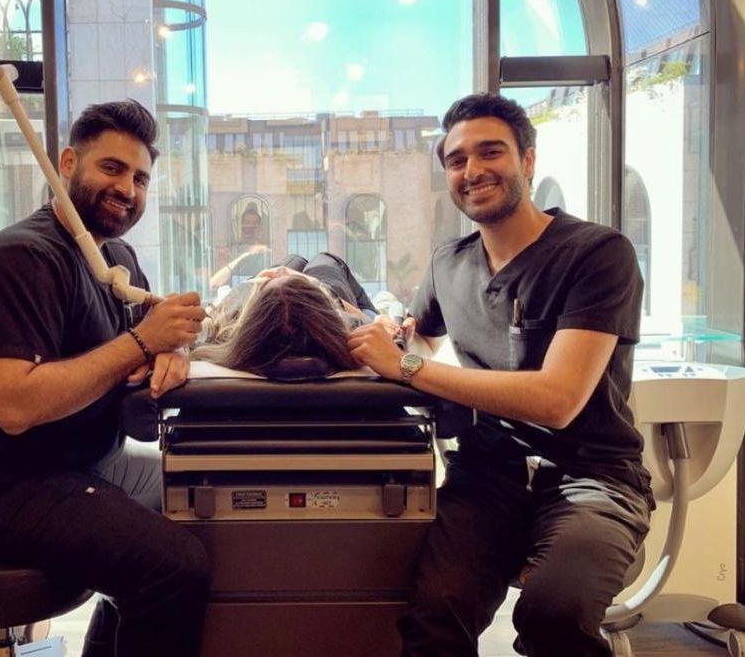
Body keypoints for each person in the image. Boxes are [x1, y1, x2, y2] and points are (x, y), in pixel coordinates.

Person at [348, 93, 652, 657]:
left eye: (491, 152)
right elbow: (421, 336)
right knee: (434, 614)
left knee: (553, 612)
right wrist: (391, 338)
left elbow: (556, 399)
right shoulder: (448, 262)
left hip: (593, 477)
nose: (473, 170)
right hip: (491, 477)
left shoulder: (597, 254)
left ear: (528, 160)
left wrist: (407, 367)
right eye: (457, 160)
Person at [0, 100, 210, 657]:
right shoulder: (19, 259)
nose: (128, 188)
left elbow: (135, 350)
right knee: (175, 567)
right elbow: (15, 405)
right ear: (66, 163)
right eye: (112, 168)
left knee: (210, 497)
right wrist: (144, 342)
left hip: (84, 464)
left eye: (141, 178)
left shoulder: (115, 258)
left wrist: (170, 354)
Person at [194, 252, 383, 376]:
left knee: (293, 260)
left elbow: (206, 317)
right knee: (325, 260)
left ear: (257, 309)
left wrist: (262, 279)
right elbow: (366, 318)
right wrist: (309, 281)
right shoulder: (348, 332)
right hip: (331, 296)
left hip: (258, 303)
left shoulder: (226, 326)